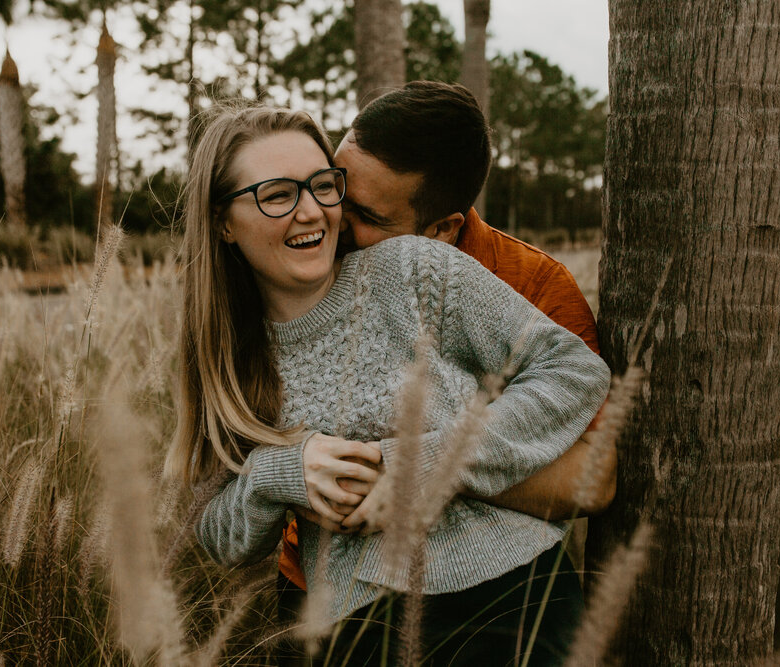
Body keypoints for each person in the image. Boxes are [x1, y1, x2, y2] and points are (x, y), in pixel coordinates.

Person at [165, 103, 611, 665]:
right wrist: (277, 474)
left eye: (322, 187)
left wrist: (419, 465)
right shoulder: (223, 355)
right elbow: (216, 535)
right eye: (277, 195)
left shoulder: (413, 269)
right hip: (354, 630)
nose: (313, 213)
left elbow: (572, 369)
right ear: (223, 221)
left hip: (511, 602)